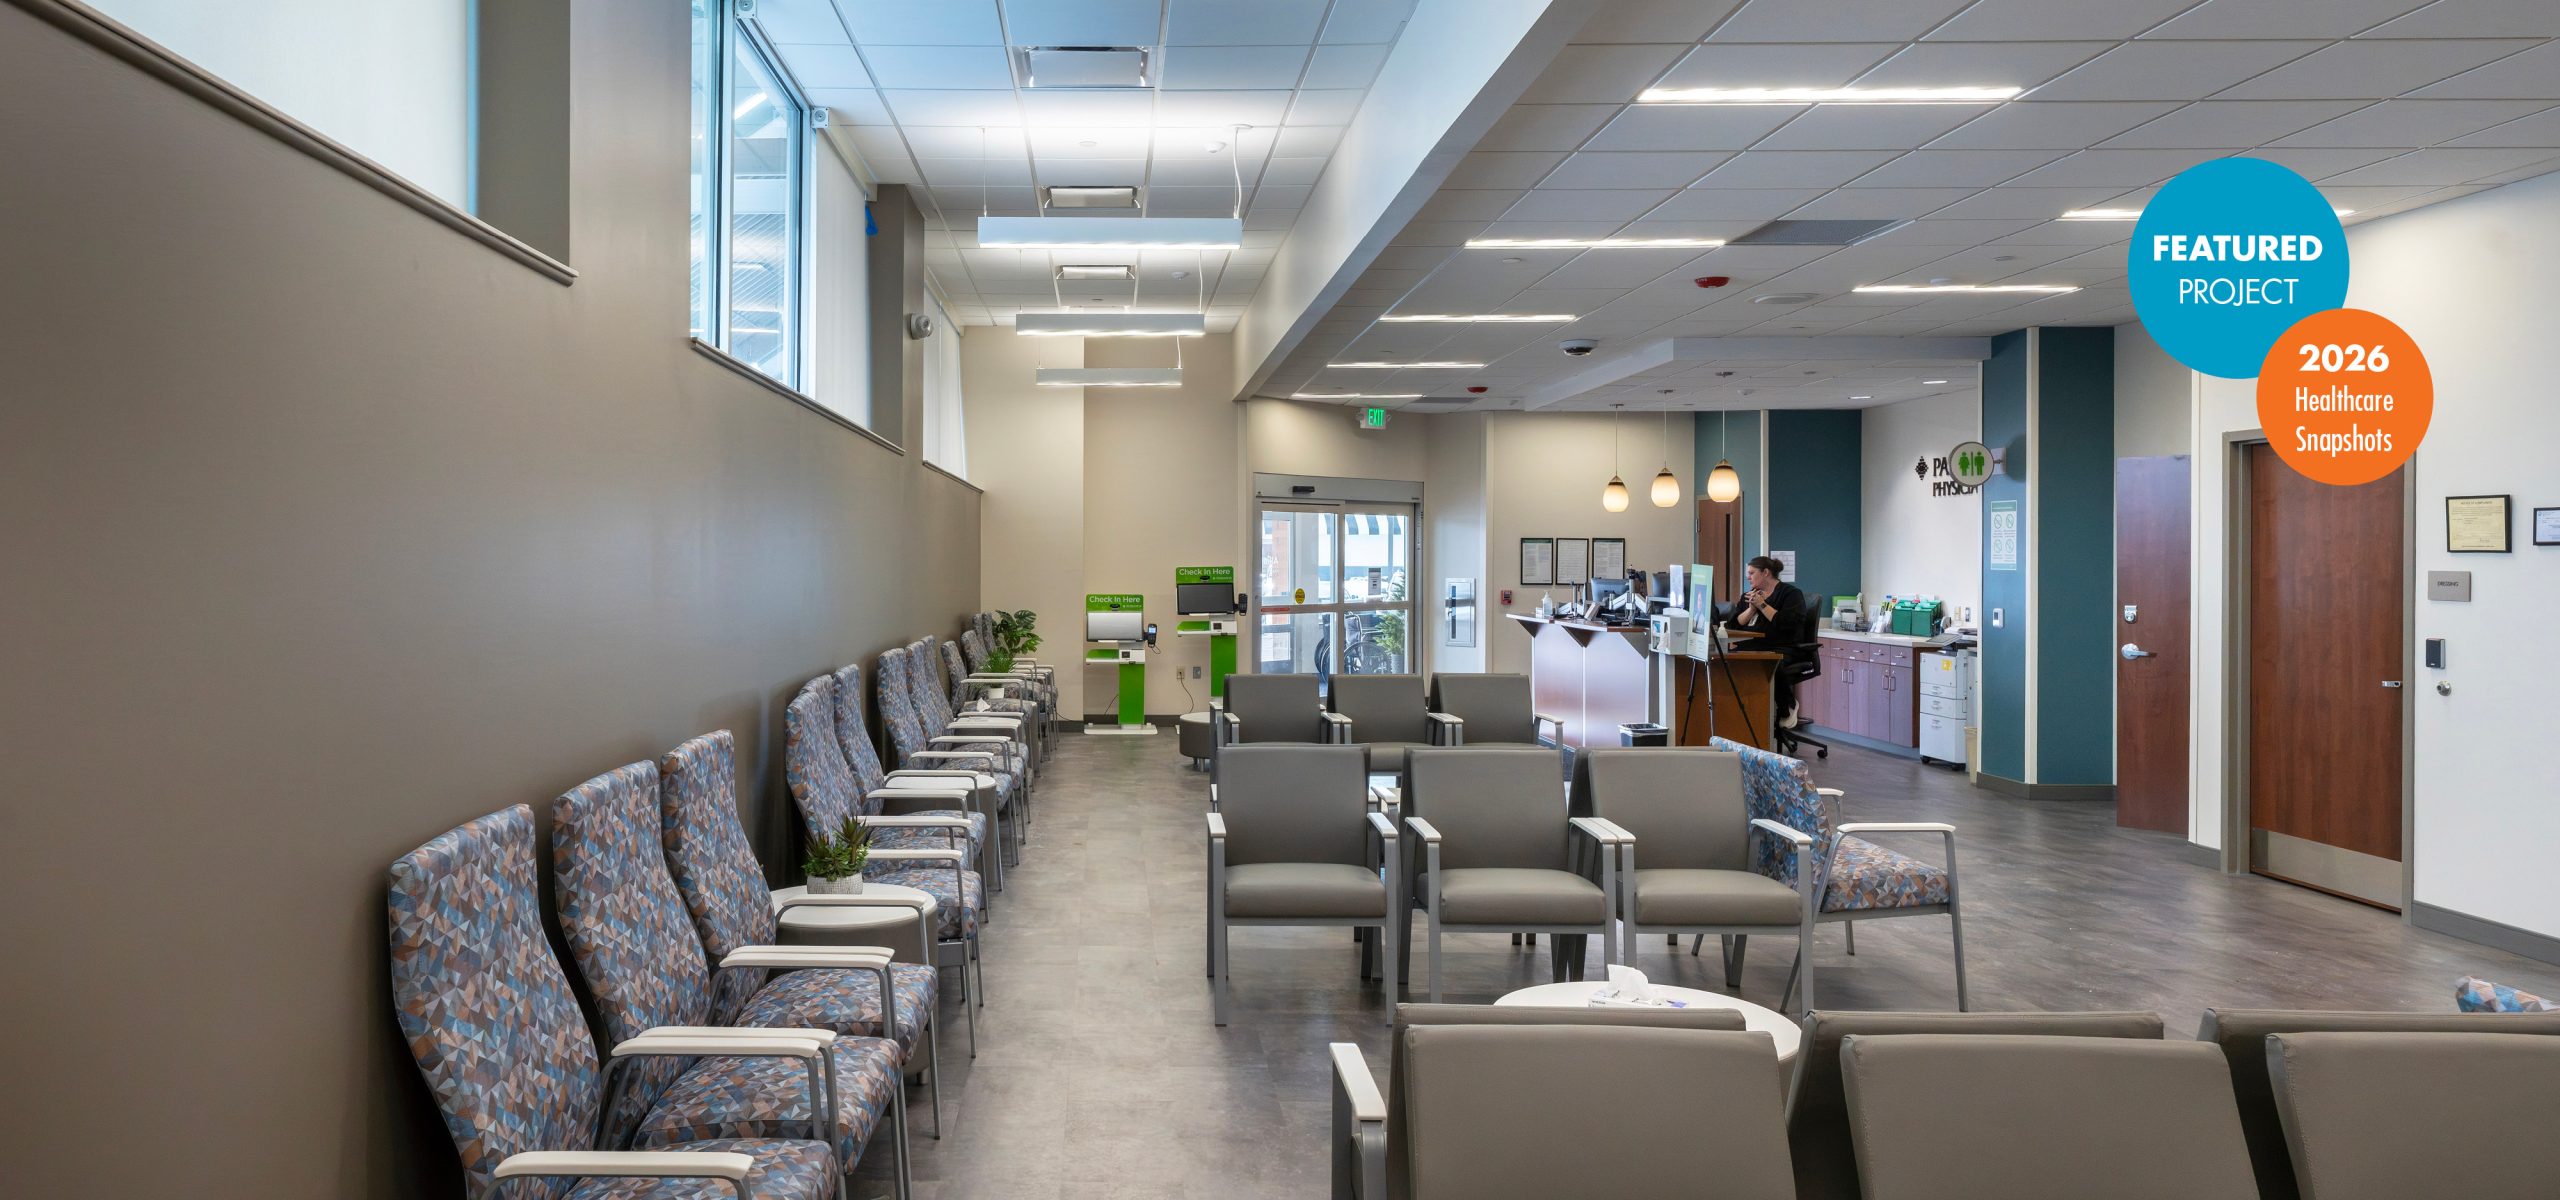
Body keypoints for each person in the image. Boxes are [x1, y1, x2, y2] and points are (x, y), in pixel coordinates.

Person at [1724, 556, 1819, 727]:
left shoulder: (1790, 594)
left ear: (1766, 573)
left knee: (1768, 662)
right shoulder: (1749, 596)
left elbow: (1787, 624)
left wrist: (1762, 605)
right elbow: (1733, 624)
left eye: (1752, 573)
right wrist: (1751, 610)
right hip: (1752, 646)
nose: (1748, 577)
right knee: (1728, 661)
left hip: (1783, 648)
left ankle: (1787, 706)